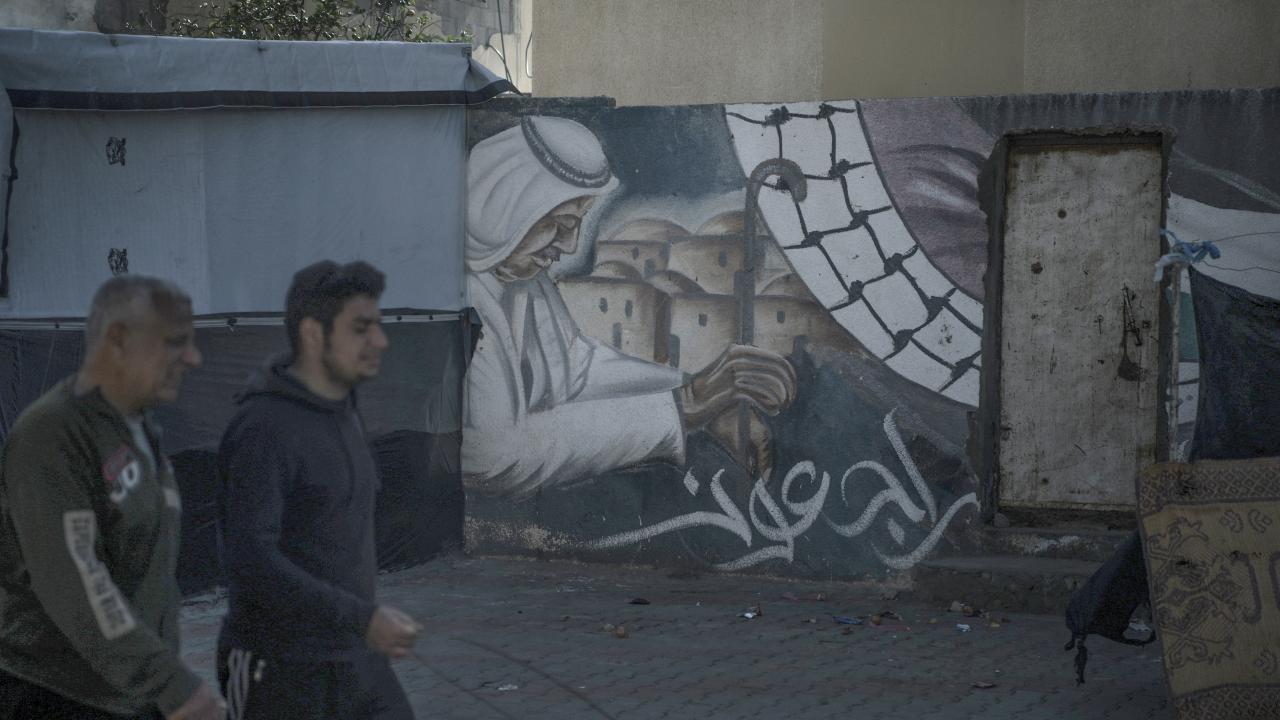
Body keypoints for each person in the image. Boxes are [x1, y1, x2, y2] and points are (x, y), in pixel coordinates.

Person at [463, 115, 797, 499]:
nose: (570, 246)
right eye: (559, 223)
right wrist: (687, 405)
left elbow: (575, 368)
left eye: (577, 224)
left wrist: (699, 397)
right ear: (507, 209)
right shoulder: (459, 297)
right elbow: (490, 454)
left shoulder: (522, 279)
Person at [0, 275, 223, 720]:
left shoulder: (139, 430)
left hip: (128, 693)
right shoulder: (53, 434)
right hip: (57, 692)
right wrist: (172, 684)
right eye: (175, 343)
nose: (193, 358)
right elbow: (73, 578)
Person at [216, 260, 419, 720]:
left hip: (355, 660)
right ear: (313, 333)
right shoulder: (263, 428)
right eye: (361, 329)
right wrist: (363, 618)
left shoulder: (344, 409)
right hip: (280, 670)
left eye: (378, 326)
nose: (380, 341)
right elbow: (251, 560)